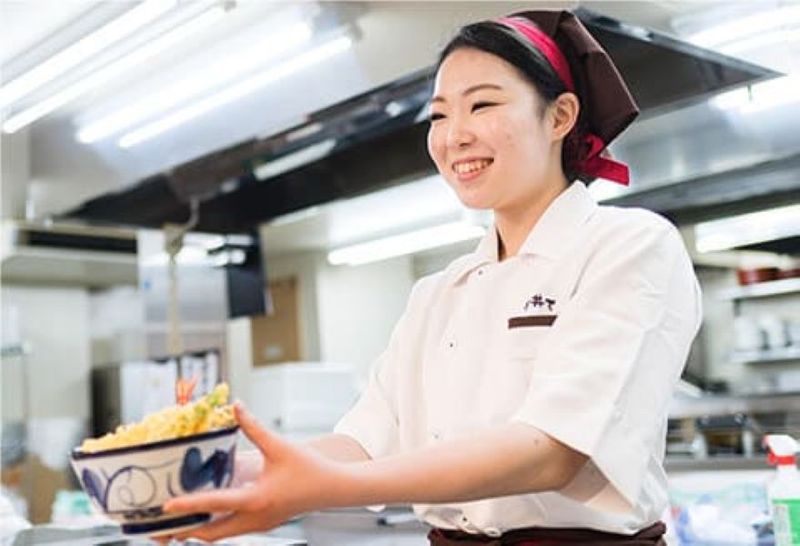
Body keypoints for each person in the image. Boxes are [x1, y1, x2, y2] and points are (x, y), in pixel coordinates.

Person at [163, 9, 702, 545]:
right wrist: (235, 476)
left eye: (482, 105)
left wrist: (318, 489)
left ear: (560, 116)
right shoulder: (439, 293)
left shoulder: (629, 245)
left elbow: (554, 449)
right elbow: (366, 441)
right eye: (439, 115)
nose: (453, 136)